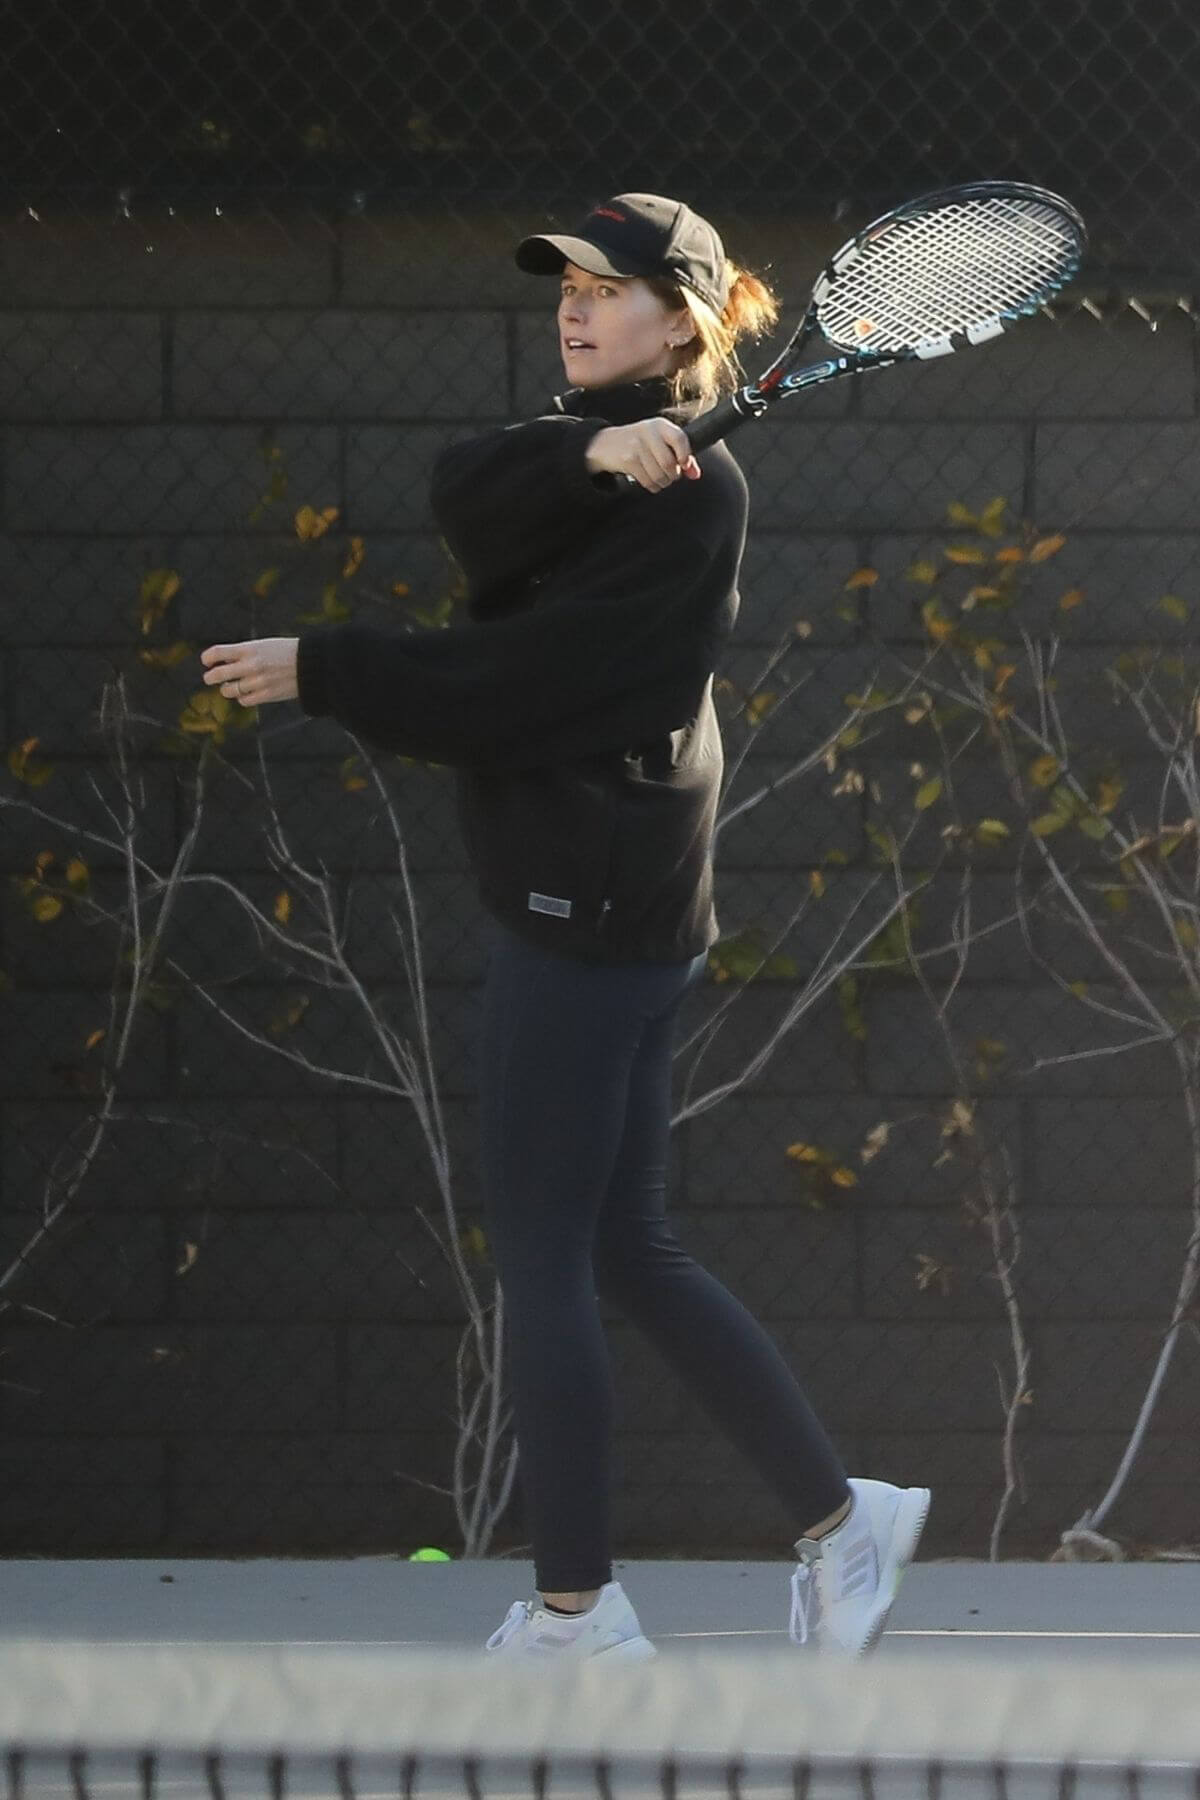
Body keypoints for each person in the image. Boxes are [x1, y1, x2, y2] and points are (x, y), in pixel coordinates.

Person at [198, 191, 930, 1664]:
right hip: (622, 899)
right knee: (628, 1249)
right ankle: (843, 1522)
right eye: (566, 288)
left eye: (611, 289)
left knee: (546, 1257)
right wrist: (593, 451)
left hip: (590, 909)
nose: (576, 308)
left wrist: (327, 666)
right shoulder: (602, 456)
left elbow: (525, 681)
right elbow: (466, 486)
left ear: (688, 322)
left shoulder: (699, 499)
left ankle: (576, 1615)